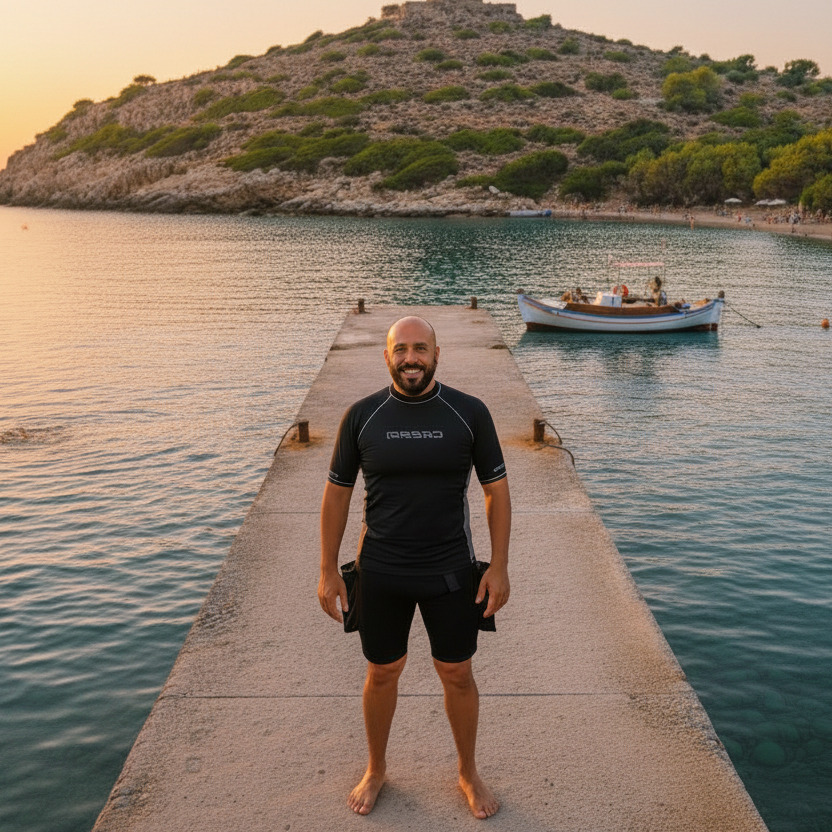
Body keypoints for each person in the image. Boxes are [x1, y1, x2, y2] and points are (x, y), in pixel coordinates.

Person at [318, 316, 511, 820]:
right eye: (401, 349)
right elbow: (337, 494)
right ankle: (376, 768)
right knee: (381, 672)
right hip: (380, 569)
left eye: (420, 348)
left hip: (450, 568)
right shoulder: (362, 416)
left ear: (436, 354)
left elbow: (496, 492)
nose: (410, 358)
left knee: (458, 673)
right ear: (387, 356)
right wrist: (326, 569)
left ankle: (468, 772)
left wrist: (500, 566)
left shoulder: (469, 412)